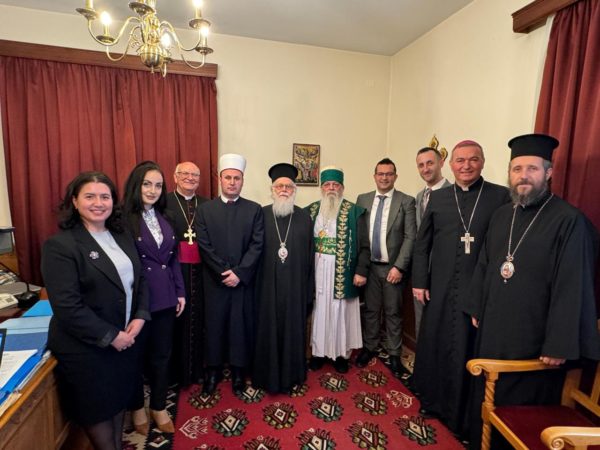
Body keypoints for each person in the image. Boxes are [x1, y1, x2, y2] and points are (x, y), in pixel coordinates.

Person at [464, 133, 600, 449]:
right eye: (517, 169)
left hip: (535, 340)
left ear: (548, 173)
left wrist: (558, 342)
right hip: (494, 330)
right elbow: (486, 264)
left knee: (524, 407)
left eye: (532, 169)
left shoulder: (569, 221)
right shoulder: (502, 215)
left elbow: (573, 284)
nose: (523, 176)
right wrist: (477, 306)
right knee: (488, 397)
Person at [41, 171, 149, 450]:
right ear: (75, 201)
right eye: (90, 196)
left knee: (117, 406)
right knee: (100, 420)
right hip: (88, 350)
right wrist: (112, 336)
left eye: (105, 196)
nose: (98, 203)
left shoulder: (121, 235)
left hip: (125, 341)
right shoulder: (60, 246)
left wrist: (140, 315)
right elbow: (67, 307)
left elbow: (140, 280)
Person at [411, 140, 510, 437]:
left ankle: (466, 414)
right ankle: (433, 401)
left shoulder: (500, 196)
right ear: (451, 164)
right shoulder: (439, 198)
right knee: (437, 342)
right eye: (460, 160)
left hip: (478, 287)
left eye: (473, 159)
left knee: (468, 348)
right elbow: (422, 243)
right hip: (440, 286)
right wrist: (419, 281)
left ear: (482, 162)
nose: (466, 166)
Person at [122, 161, 186, 435]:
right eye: (147, 184)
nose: (153, 190)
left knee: (162, 355)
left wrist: (180, 291)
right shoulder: (122, 219)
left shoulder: (166, 216)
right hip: (138, 300)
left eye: (158, 185)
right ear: (136, 185)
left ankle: (158, 406)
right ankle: (137, 406)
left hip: (166, 297)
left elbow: (173, 258)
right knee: (135, 357)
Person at [196, 153, 264, 395]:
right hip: (214, 281)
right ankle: (213, 372)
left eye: (237, 178)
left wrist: (240, 273)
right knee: (214, 326)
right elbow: (204, 245)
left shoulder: (254, 210)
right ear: (220, 179)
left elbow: (257, 244)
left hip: (242, 283)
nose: (232, 182)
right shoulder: (205, 210)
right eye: (228, 177)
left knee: (239, 327)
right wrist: (224, 272)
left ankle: (238, 373)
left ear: (242, 180)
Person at [252, 163, 315, 394]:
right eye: (279, 186)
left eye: (289, 186)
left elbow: (310, 256)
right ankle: (265, 375)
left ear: (294, 190)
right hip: (266, 288)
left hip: (295, 289)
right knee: (267, 329)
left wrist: (308, 290)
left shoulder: (304, 217)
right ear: (272, 189)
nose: (284, 190)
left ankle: (291, 375)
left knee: (292, 331)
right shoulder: (261, 214)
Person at [355, 158, 416, 377]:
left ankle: (394, 354)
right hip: (370, 267)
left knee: (393, 312)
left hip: (393, 269)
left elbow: (410, 237)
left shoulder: (406, 201)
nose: (384, 178)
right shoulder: (362, 199)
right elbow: (359, 234)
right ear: (374, 176)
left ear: (395, 176)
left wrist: (399, 267)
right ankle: (369, 347)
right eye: (380, 174)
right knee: (371, 310)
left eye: (389, 174)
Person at [306, 166, 370, 373]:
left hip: (343, 271)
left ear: (342, 187)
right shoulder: (311, 210)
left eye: (336, 184)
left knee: (340, 311)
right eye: (327, 184)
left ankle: (340, 355)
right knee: (319, 311)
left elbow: (364, 245)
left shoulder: (354, 212)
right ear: (321, 188)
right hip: (317, 270)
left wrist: (361, 270)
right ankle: (318, 353)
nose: (331, 188)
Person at [166, 162, 208, 388]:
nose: (190, 178)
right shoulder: (164, 203)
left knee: (199, 320)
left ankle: (197, 369)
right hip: (174, 271)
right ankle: (175, 373)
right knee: (176, 321)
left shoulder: (207, 205)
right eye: (185, 173)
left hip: (202, 273)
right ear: (175, 177)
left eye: (195, 175)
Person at [414, 147, 451, 339]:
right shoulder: (420, 196)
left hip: (443, 270)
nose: (425, 169)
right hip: (421, 269)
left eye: (430, 163)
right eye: (421, 165)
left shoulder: (453, 194)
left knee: (441, 322)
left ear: (441, 163)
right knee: (421, 320)